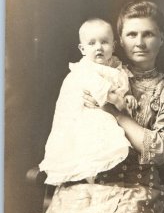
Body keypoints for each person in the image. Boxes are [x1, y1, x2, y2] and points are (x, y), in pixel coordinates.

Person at [25, 1, 164, 213]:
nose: (140, 42)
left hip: (137, 187)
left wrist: (116, 113)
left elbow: (158, 150)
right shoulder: (98, 76)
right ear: (120, 40)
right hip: (89, 185)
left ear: (161, 39)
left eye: (148, 34)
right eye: (132, 34)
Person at [39, 18, 137, 186]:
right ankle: (91, 178)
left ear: (113, 46)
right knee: (87, 143)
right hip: (82, 113)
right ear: (82, 49)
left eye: (104, 42)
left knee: (105, 143)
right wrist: (119, 100)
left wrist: (127, 95)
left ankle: (102, 177)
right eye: (92, 43)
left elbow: (120, 82)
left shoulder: (114, 66)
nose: (99, 47)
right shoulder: (85, 69)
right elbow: (103, 91)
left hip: (102, 111)